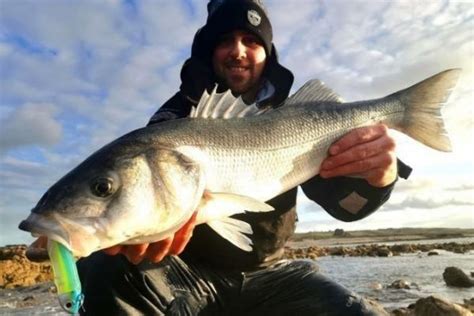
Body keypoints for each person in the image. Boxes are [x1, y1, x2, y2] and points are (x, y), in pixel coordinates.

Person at [75, 0, 411, 315]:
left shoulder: (301, 120)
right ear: (209, 52)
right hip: (186, 273)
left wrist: (381, 178)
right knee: (104, 266)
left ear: (267, 53)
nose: (238, 51)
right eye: (225, 41)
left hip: (273, 275)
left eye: (251, 41)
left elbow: (345, 207)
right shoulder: (173, 119)